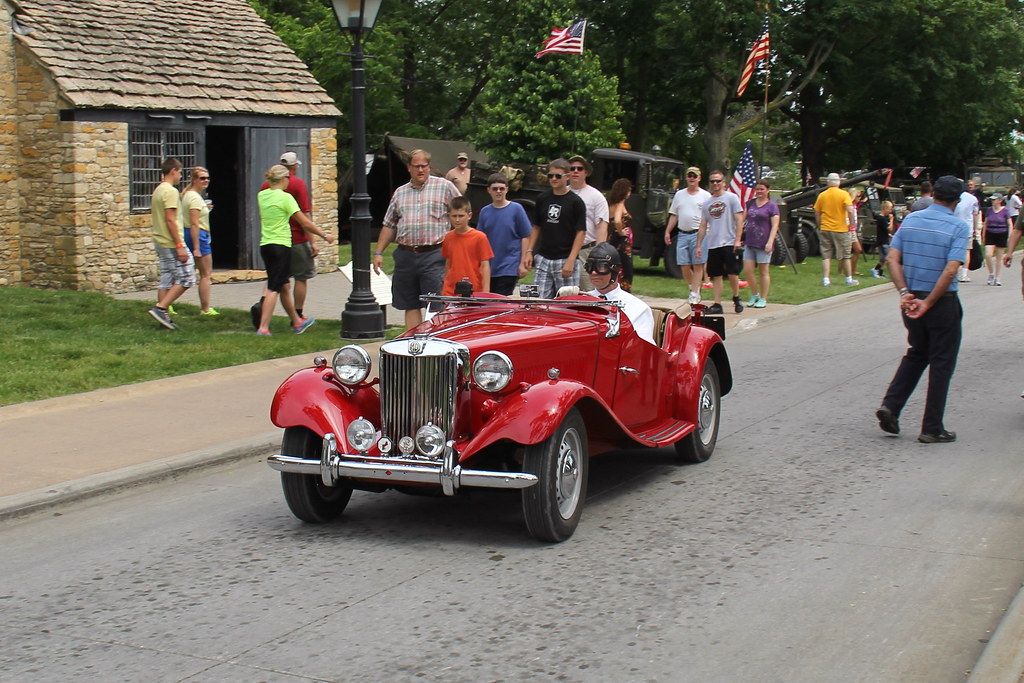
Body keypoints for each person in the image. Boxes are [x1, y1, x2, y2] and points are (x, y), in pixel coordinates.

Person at [875, 175, 970, 443]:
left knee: (917, 353)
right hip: (941, 302)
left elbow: (893, 258)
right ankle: (932, 427)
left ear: (933, 194)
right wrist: (929, 302)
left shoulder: (912, 220)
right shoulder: (958, 227)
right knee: (942, 362)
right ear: (958, 200)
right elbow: (951, 269)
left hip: (912, 299)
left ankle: (892, 405)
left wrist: (904, 293)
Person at [373, 149, 461, 329]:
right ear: (409, 168)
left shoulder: (444, 187)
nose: (421, 170)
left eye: (424, 166)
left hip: (435, 254)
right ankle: (413, 346)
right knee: (410, 303)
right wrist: (378, 252)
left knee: (435, 303)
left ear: (429, 167)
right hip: (406, 255)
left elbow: (461, 214)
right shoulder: (400, 193)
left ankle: (435, 343)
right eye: (416, 166)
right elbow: (389, 224)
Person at [255, 165, 334, 336]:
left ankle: (297, 322)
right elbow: (305, 222)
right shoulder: (286, 198)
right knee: (273, 288)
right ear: (284, 179)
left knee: (283, 285)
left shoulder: (262, 195)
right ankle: (263, 327)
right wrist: (324, 234)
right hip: (281, 246)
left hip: (265, 245)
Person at [523, 158, 586, 299]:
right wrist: (529, 251)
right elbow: (536, 227)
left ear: (567, 177)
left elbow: (581, 232)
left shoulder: (576, 202)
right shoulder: (542, 198)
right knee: (537, 300)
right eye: (550, 175)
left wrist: (571, 260)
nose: (553, 179)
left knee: (566, 302)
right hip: (543, 257)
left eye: (558, 176)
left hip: (565, 258)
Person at [148, 158, 194, 330]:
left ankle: (163, 318)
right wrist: (179, 245)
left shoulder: (158, 190)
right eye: (180, 172)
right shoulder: (170, 191)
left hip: (160, 240)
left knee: (167, 279)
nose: (180, 176)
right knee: (187, 277)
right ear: (173, 171)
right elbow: (170, 219)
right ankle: (160, 308)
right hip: (170, 242)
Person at [584, 242, 655, 345]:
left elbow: (643, 347)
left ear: (615, 271)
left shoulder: (638, 309)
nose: (594, 272)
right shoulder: (581, 301)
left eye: (601, 267)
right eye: (589, 267)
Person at [695, 169, 745, 314]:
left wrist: (737, 240)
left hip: (729, 241)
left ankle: (736, 297)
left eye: (718, 181)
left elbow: (739, 219)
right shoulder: (707, 204)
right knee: (716, 274)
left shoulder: (731, 198)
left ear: (724, 183)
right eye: (712, 181)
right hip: (713, 243)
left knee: (732, 273)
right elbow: (703, 225)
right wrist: (699, 244)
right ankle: (717, 304)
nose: (715, 184)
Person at [476, 173, 532, 295]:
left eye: (502, 188)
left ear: (507, 189)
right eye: (495, 188)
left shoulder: (516, 209)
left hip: (509, 266)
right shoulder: (485, 212)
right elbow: (479, 240)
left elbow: (525, 236)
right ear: (489, 190)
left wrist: (522, 263)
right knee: (488, 300)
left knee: (501, 301)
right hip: (490, 267)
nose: (498, 191)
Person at [665, 166, 711, 305]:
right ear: (686, 177)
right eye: (689, 175)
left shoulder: (705, 196)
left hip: (699, 233)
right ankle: (693, 288)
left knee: (698, 265)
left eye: (694, 176)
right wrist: (668, 231)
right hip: (682, 233)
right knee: (683, 264)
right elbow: (674, 214)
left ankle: (694, 293)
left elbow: (709, 216)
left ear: (699, 178)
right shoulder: (680, 194)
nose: (692, 178)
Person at [567, 155, 610, 290]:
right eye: (571, 168)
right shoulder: (562, 193)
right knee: (563, 293)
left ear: (586, 172)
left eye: (579, 168)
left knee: (589, 292)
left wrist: (598, 255)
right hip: (563, 251)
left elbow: (602, 227)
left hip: (586, 251)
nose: (575, 171)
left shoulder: (596, 196)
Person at [181, 166, 217, 315]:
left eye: (207, 178)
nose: (206, 180)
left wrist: (205, 208)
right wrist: (196, 247)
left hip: (189, 232)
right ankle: (205, 308)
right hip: (198, 235)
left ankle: (166, 302)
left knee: (181, 271)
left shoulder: (188, 195)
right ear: (194, 180)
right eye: (202, 178)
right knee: (205, 273)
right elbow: (194, 223)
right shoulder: (195, 197)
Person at [813, 172, 858, 287]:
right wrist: (851, 225)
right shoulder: (844, 194)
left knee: (826, 255)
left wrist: (820, 225)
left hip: (825, 227)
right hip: (841, 228)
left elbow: (817, 213)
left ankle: (826, 280)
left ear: (828, 182)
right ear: (839, 182)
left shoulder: (822, 195)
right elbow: (850, 210)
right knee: (845, 255)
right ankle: (848, 279)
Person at [441, 196, 493, 295]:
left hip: (473, 288)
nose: (457, 220)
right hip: (451, 289)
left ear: (469, 215)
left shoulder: (479, 237)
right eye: (454, 216)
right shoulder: (448, 237)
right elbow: (448, 262)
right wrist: (445, 284)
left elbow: (485, 265)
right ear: (449, 216)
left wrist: (486, 291)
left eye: (461, 216)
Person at [742, 180, 780, 308]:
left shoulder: (772, 206)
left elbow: (775, 226)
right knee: (748, 270)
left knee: (763, 271)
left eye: (762, 189)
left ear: (767, 190)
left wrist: (770, 242)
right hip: (749, 242)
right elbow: (743, 220)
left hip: (764, 243)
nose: (759, 192)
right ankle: (755, 294)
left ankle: (763, 298)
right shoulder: (750, 203)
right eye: (757, 189)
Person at [606, 178, 635, 291]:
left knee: (615, 267)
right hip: (622, 241)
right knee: (626, 269)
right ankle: (625, 291)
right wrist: (622, 231)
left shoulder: (611, 205)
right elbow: (618, 220)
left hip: (612, 239)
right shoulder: (620, 204)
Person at [982, 192, 1011, 286]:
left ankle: (997, 277)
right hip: (990, 233)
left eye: (994, 199)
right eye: (992, 199)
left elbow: (1010, 223)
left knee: (999, 257)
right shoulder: (989, 210)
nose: (992, 201)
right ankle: (991, 273)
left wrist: (1009, 236)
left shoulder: (1005, 211)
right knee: (988, 254)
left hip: (1002, 233)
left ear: (1000, 200)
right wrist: (983, 234)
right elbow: (985, 223)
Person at [954, 179, 980, 282]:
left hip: (954, 227)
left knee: (954, 250)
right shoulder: (972, 198)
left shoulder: (953, 197)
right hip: (967, 227)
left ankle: (955, 273)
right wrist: (975, 229)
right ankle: (964, 274)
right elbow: (975, 214)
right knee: (967, 251)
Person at [870, 200, 896, 278]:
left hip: (883, 239)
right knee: (887, 257)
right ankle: (877, 270)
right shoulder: (882, 219)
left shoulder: (881, 218)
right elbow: (889, 228)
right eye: (889, 209)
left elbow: (883, 230)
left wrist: (888, 234)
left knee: (883, 258)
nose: (890, 211)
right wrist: (892, 220)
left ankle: (879, 271)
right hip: (883, 241)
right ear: (885, 208)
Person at [849, 188, 865, 276]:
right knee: (855, 250)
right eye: (858, 196)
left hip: (853, 230)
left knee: (856, 250)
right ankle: (846, 271)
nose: (859, 198)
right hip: (849, 230)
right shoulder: (849, 206)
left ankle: (852, 270)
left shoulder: (855, 205)